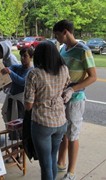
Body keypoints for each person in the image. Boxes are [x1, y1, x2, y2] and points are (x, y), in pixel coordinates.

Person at [53, 20, 97, 180]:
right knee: (62, 132)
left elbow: (93, 77)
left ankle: (71, 172)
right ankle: (60, 162)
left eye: (57, 35)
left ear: (65, 32)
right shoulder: (63, 49)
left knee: (72, 134)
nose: (56, 38)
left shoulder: (83, 50)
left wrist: (73, 89)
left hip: (76, 99)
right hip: (61, 97)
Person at [24, 40, 71, 180]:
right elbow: (65, 87)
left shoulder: (34, 74)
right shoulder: (64, 69)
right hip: (60, 121)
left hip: (42, 123)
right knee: (52, 157)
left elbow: (28, 105)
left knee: (45, 165)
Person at [0, 47, 34, 162]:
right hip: (12, 99)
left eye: (26, 56)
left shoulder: (31, 71)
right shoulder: (17, 67)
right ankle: (15, 152)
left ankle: (19, 153)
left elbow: (23, 81)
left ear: (31, 57)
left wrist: (10, 73)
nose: (23, 59)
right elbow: (9, 68)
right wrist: (2, 67)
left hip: (21, 102)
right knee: (11, 126)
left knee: (19, 128)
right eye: (22, 56)